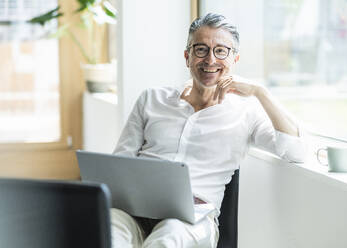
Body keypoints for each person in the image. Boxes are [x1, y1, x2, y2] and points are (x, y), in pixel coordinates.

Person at [111, 13, 306, 248]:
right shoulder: (152, 99)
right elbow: (119, 163)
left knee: (168, 238)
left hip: (193, 220)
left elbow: (295, 151)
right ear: (187, 57)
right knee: (108, 229)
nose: (210, 60)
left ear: (235, 58)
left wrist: (259, 91)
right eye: (201, 49)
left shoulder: (246, 112)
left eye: (221, 51)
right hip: (136, 210)